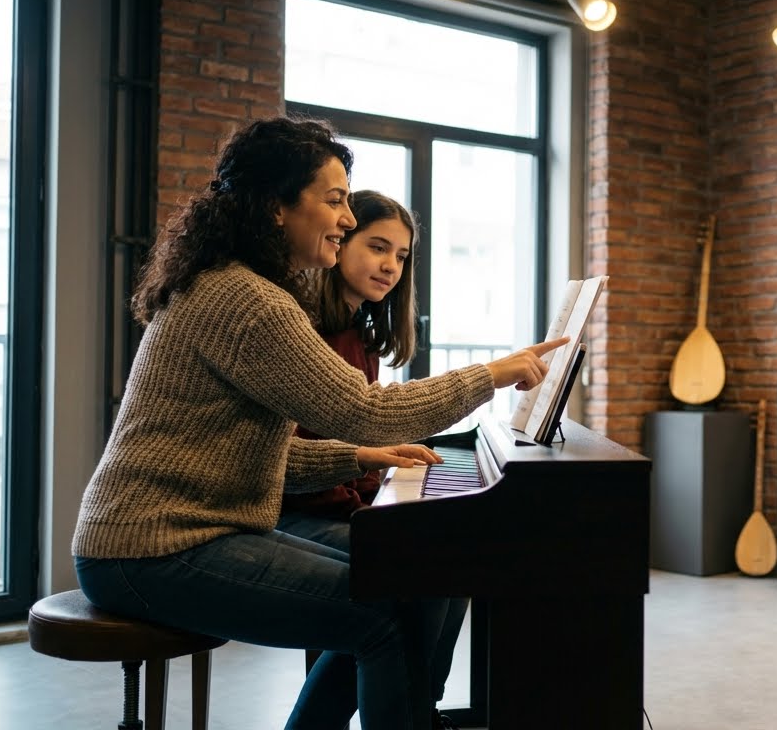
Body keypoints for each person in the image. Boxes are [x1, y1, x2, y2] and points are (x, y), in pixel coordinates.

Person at [71, 115, 567, 730]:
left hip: (180, 535)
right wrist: (491, 373)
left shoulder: (237, 287)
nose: (349, 219)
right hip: (151, 549)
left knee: (403, 587)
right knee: (385, 609)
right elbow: (366, 412)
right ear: (277, 207)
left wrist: (355, 459)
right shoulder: (249, 300)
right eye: (334, 201)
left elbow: (233, 450)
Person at [277, 189, 467, 728]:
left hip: (329, 505)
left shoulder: (359, 332)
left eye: (402, 256)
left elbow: (355, 439)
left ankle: (418, 705)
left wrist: (380, 481)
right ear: (341, 244)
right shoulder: (309, 328)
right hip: (294, 512)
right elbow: (300, 455)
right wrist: (368, 500)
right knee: (417, 574)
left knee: (452, 565)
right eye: (377, 247)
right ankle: (413, 710)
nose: (390, 265)